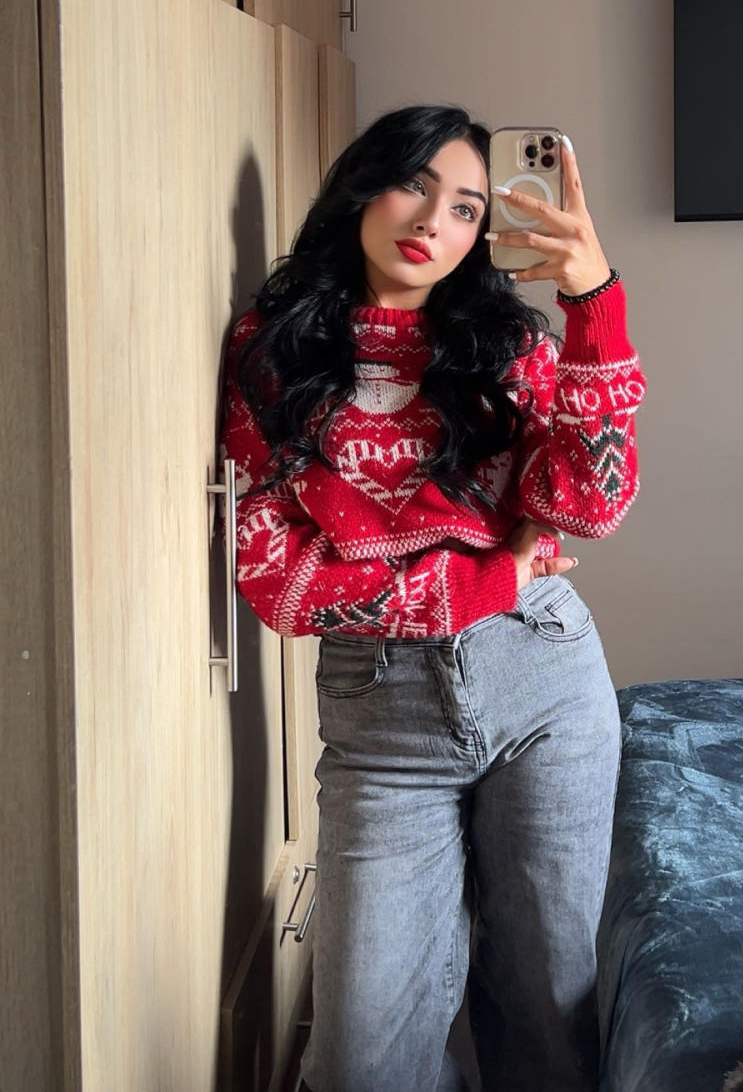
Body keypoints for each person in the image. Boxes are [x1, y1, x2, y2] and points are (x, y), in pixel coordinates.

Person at [219, 105, 647, 1092]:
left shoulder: (510, 349)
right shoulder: (273, 354)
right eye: (415, 185)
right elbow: (284, 585)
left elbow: (590, 504)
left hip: (543, 682)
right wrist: (491, 575)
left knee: (549, 1010)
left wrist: (593, 303)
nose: (432, 221)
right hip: (382, 722)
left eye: (465, 207)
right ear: (362, 188)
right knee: (359, 1055)